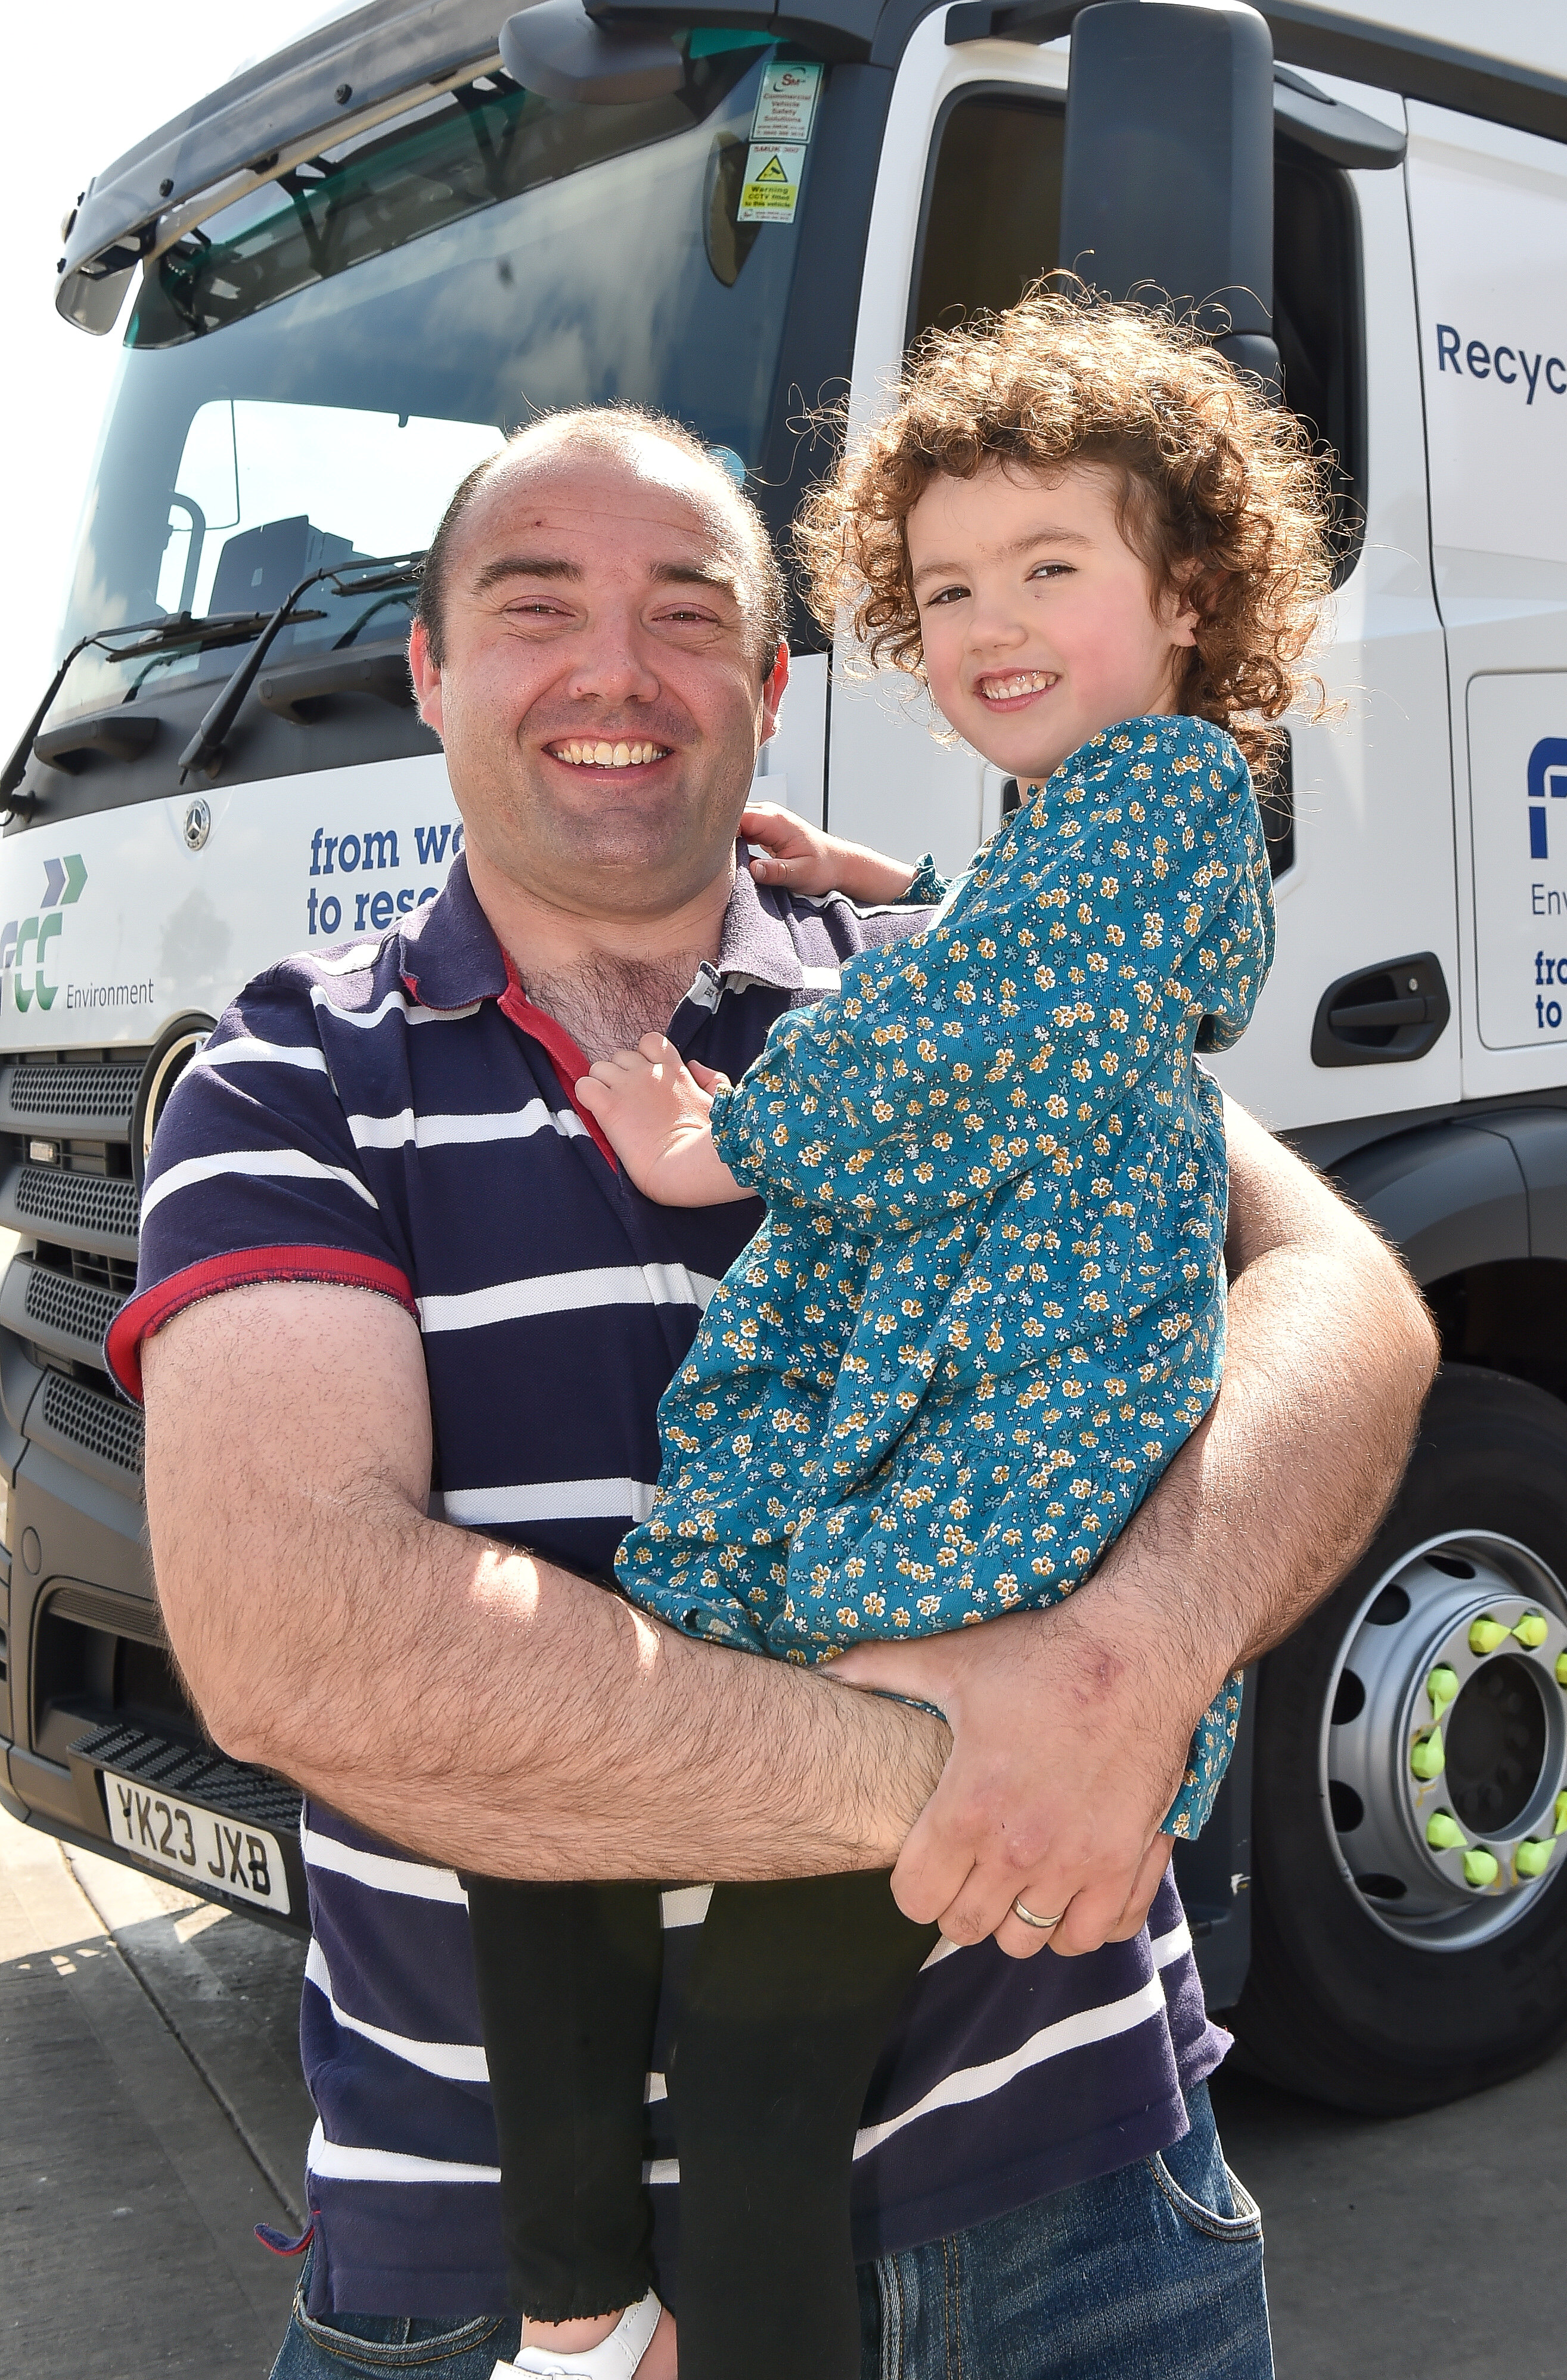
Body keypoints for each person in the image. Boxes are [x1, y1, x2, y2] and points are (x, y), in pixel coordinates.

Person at [126, 391, 1436, 2380]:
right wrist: (987, 1774)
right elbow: (298, 1652)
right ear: (431, 669)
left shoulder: (930, 974)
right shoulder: (291, 1079)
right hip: (471, 2273)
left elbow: (1348, 1298)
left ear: (770, 675)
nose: (611, 669)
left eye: (683, 612)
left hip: (1097, 2221)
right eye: (535, 602)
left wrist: (1127, 1654)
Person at [467, 295, 1325, 2380]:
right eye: (945, 588)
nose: (987, 622)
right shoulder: (1090, 824)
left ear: (1192, 594)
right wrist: (905, 886)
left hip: (979, 1515)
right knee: (548, 1825)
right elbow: (1027, 960)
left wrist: (718, 1143)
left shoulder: (1174, 798)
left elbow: (1014, 1020)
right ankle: (586, 2317)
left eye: (1053, 567)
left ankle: (608, 2323)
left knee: (763, 2074)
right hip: (920, 1469)